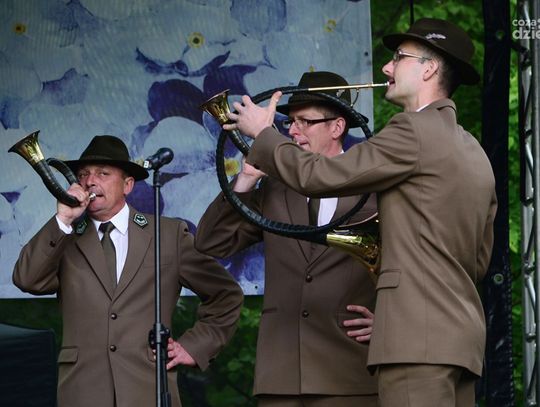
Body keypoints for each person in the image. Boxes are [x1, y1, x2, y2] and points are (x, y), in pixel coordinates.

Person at [223, 18, 497, 407]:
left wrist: (263, 136)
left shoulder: (413, 130)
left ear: (429, 69)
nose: (386, 67)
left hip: (414, 344)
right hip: (460, 343)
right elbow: (479, 261)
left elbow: (317, 176)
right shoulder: (474, 152)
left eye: (398, 57)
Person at [12, 135, 244, 407]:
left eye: (103, 173)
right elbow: (27, 279)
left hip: (148, 391)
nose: (90, 181)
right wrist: (63, 219)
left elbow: (226, 294)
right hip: (83, 393)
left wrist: (194, 347)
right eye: (83, 174)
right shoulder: (64, 236)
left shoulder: (168, 234)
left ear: (128, 185)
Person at [196, 71, 378, 406]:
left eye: (305, 121)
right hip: (280, 376)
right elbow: (211, 243)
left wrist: (391, 322)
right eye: (291, 121)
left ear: (337, 127)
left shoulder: (373, 188)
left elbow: (411, 265)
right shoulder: (275, 187)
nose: (293, 131)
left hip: (350, 373)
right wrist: (246, 179)